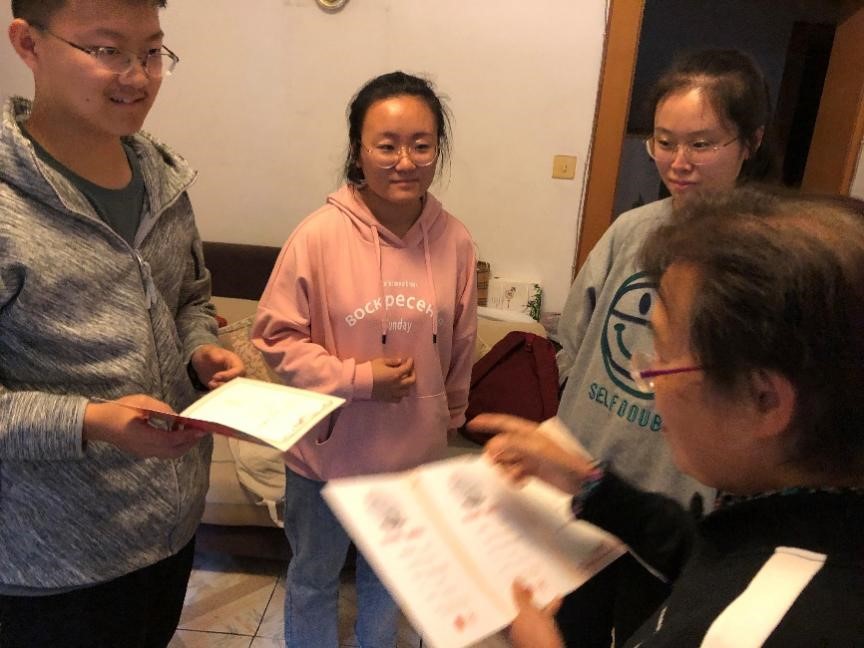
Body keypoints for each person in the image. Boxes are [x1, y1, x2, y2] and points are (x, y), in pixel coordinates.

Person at [472, 187, 864, 647]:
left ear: (764, 401)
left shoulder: (751, 631)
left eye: (662, 356)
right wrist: (587, 482)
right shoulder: (796, 517)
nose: (647, 378)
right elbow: (703, 554)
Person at [0, 1, 244, 646]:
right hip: (46, 563)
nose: (137, 77)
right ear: (27, 43)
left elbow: (190, 296)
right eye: (107, 50)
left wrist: (200, 350)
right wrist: (93, 421)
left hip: (169, 532)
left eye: (152, 52)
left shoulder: (163, 179)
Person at [551, 48, 774, 645]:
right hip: (586, 481)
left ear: (750, 142)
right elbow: (574, 339)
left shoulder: (761, 258)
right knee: (569, 628)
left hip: (677, 509)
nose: (679, 163)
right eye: (664, 142)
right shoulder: (632, 230)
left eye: (702, 144)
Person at [251, 71, 477, 647]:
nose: (405, 161)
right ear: (358, 151)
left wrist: (451, 414)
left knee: (391, 577)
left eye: (421, 145)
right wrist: (358, 378)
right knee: (314, 578)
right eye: (387, 145)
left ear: (438, 150)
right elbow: (274, 338)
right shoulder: (318, 235)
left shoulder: (455, 240)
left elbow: (461, 341)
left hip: (411, 457)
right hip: (324, 455)